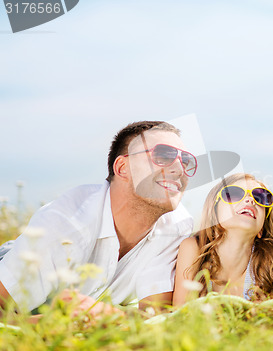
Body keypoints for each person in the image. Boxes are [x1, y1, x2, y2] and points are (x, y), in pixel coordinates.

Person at [0, 121, 197, 315]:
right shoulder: (65, 222)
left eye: (186, 161)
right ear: (122, 168)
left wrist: (108, 316)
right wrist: (61, 324)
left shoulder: (177, 226)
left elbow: (154, 317)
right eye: (163, 155)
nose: (180, 170)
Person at [173, 173, 273, 305]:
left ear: (261, 229)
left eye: (261, 198)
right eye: (234, 194)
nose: (250, 200)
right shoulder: (193, 247)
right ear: (214, 213)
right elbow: (180, 316)